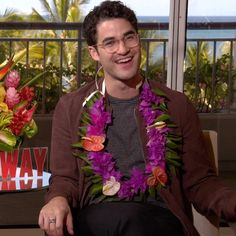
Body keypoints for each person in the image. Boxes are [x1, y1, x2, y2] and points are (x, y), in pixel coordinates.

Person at [38, 1, 236, 236]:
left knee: (137, 221)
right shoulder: (71, 107)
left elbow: (199, 181)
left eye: (129, 37)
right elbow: (65, 178)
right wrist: (57, 199)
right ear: (94, 53)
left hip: (160, 219)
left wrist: (231, 203)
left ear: (138, 40)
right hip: (95, 218)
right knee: (127, 219)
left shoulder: (177, 105)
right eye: (110, 42)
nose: (123, 50)